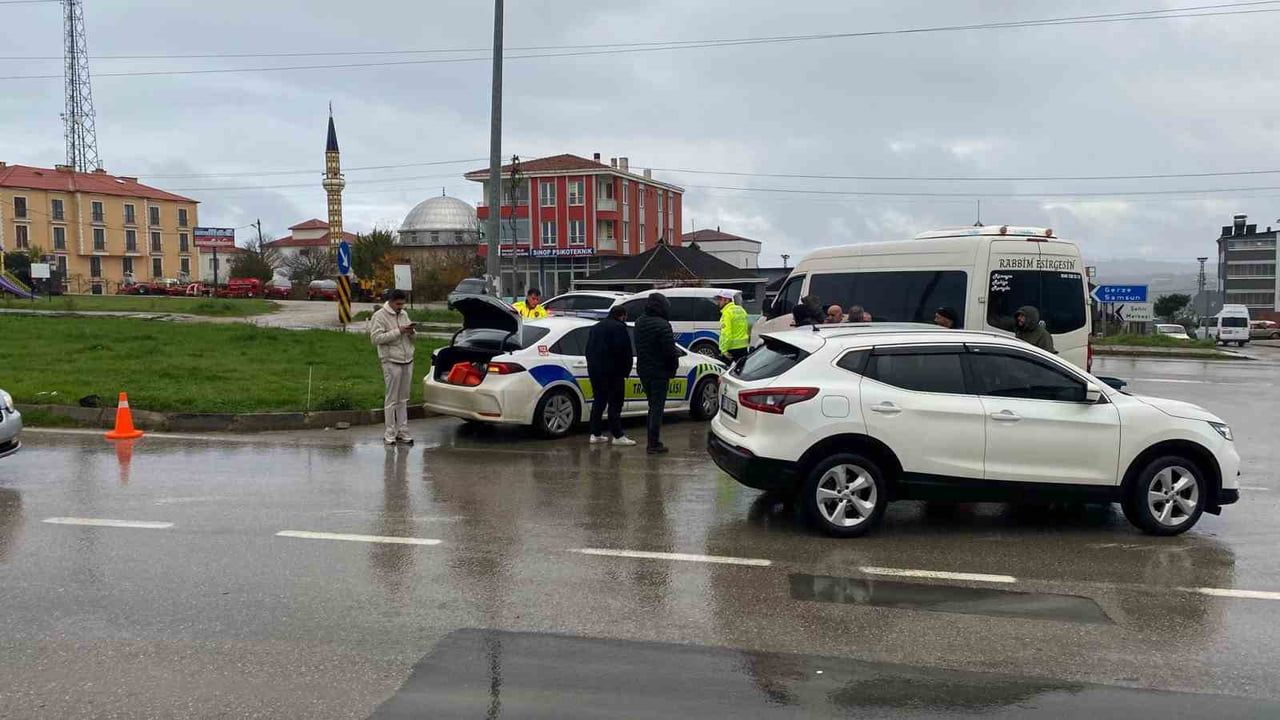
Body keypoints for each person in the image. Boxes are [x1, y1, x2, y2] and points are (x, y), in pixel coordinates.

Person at [634, 293, 681, 454]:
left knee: (652, 406)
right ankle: (653, 444)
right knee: (657, 408)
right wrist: (673, 368)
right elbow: (670, 351)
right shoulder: (663, 325)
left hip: (643, 370)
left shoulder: (639, 322)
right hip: (659, 372)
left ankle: (652, 441)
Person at [369, 289, 416, 446]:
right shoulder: (379, 316)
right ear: (390, 301)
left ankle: (403, 430)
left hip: (407, 359)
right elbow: (376, 339)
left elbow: (413, 337)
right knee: (392, 399)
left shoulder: (403, 314)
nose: (401, 307)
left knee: (403, 398)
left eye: (402, 304)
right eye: (398, 304)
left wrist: (411, 332)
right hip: (391, 361)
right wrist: (399, 331)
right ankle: (389, 433)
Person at [585, 306, 637, 447]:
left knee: (599, 401)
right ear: (622, 315)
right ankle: (617, 435)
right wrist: (625, 370)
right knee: (615, 403)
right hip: (614, 372)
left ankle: (595, 434)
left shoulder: (596, 327)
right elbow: (624, 351)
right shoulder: (619, 328)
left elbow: (588, 349)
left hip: (595, 371)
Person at [715, 289, 750, 363]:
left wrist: (724, 350)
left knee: (724, 370)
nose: (718, 302)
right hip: (743, 347)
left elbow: (726, 333)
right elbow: (747, 328)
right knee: (741, 370)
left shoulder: (727, 313)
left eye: (720, 299)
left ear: (727, 300)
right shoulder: (742, 310)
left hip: (731, 348)